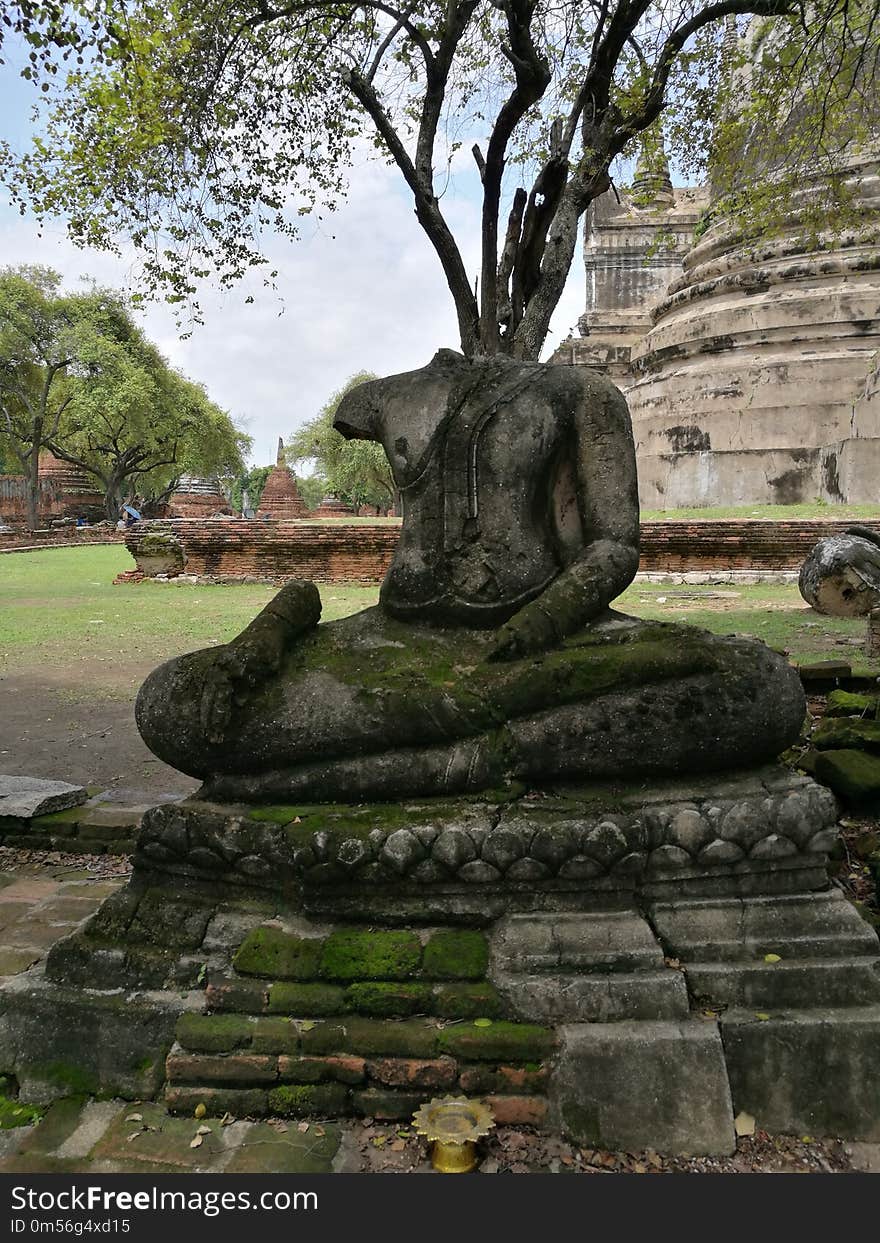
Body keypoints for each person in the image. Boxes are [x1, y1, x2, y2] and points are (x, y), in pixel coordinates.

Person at [136, 351, 805, 801]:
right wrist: (260, 643)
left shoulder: (584, 394)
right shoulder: (383, 397)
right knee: (173, 702)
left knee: (760, 688)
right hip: (394, 641)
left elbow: (613, 546)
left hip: (547, 641)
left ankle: (471, 758)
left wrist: (543, 620)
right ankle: (471, 741)